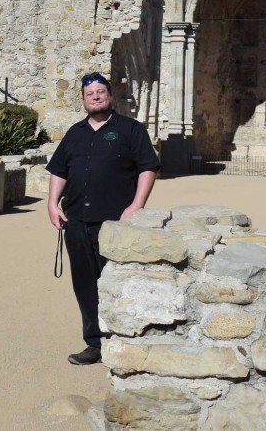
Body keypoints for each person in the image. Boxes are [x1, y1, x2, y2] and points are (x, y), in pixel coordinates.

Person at [46, 71, 159, 366]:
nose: (95, 97)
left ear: (110, 96)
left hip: (114, 224)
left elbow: (149, 167)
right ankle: (94, 343)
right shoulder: (75, 133)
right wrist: (51, 203)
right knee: (84, 285)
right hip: (76, 222)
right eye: (89, 94)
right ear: (84, 100)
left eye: (100, 92)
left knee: (118, 284)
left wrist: (137, 204)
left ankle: (122, 340)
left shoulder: (130, 130)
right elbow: (59, 170)